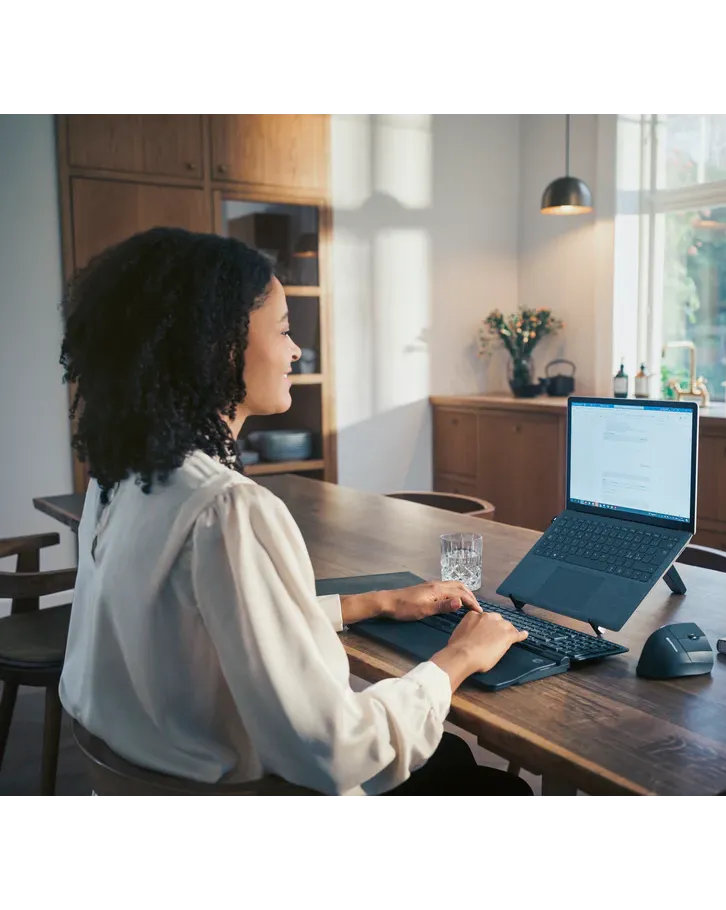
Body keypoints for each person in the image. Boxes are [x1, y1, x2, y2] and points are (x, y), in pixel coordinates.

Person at [58, 226, 535, 801]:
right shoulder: (227, 509)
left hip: (144, 779)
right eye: (283, 330)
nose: (295, 350)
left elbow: (211, 619)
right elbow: (338, 752)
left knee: (450, 757)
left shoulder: (123, 478)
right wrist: (458, 656)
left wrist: (373, 602)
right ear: (219, 345)